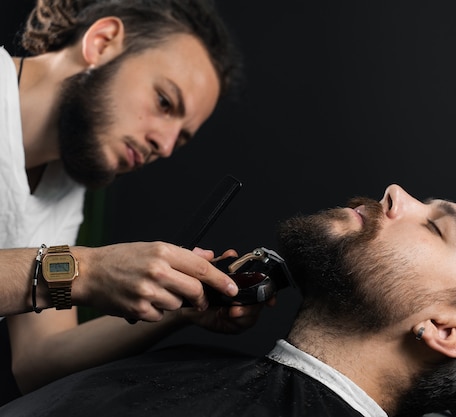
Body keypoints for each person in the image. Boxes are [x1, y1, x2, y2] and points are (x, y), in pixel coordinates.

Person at [0, 184, 456, 417]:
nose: (398, 193)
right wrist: (159, 307)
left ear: (445, 331)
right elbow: (37, 378)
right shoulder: (223, 376)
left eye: (437, 228)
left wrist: (83, 268)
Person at [0, 0, 269, 402]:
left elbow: (37, 363)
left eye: (180, 137)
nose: (163, 145)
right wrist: (87, 271)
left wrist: (180, 305)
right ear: (103, 42)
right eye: (164, 102)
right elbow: (74, 276)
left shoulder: (61, 189)